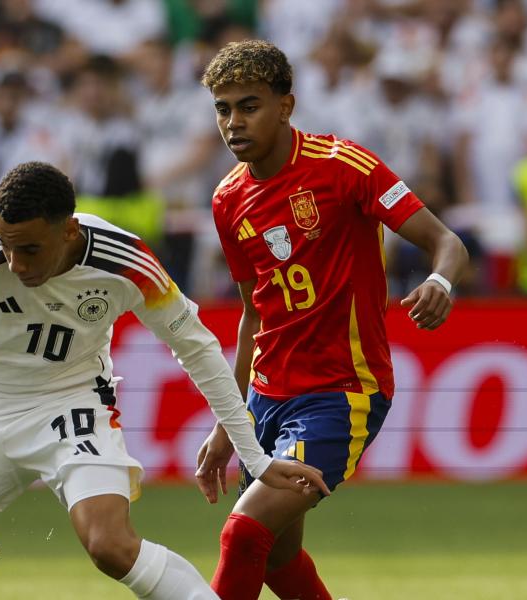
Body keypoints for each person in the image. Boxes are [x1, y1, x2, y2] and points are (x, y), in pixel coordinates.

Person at [0, 161, 330, 600]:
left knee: (110, 546)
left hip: (70, 405)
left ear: (69, 231)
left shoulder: (126, 262)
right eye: (7, 245)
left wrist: (255, 458)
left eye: (30, 249)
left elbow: (199, 350)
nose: (15, 264)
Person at [195, 40, 469, 600]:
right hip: (265, 398)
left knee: (244, 536)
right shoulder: (227, 199)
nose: (233, 122)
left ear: (285, 106)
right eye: (223, 109)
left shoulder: (344, 167)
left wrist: (440, 281)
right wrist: (229, 425)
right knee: (276, 556)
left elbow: (447, 242)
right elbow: (254, 316)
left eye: (248, 106)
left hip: (340, 394)